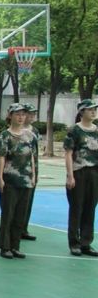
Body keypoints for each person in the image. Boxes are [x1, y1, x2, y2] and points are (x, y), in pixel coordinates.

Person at [0, 103, 35, 259]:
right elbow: (2, 157)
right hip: (10, 179)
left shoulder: (30, 136)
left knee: (20, 215)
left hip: (25, 179)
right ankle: (5, 246)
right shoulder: (5, 135)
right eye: (17, 114)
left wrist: (33, 175)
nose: (21, 117)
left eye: (23, 114)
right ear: (10, 116)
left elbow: (32, 156)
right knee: (8, 214)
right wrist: (0, 178)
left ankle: (15, 245)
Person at [64, 99, 98, 257]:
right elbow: (68, 154)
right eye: (90, 109)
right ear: (82, 112)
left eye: (95, 109)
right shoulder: (74, 130)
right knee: (76, 207)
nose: (93, 111)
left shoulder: (96, 130)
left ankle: (86, 242)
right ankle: (74, 243)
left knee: (90, 207)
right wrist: (70, 175)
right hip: (79, 171)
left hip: (94, 172)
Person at [20, 104, 40, 240]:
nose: (32, 116)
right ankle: (14, 229)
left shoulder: (35, 131)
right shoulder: (16, 130)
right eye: (30, 113)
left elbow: (35, 153)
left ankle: (24, 228)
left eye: (34, 113)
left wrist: (35, 172)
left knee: (28, 200)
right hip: (18, 169)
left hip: (32, 169)